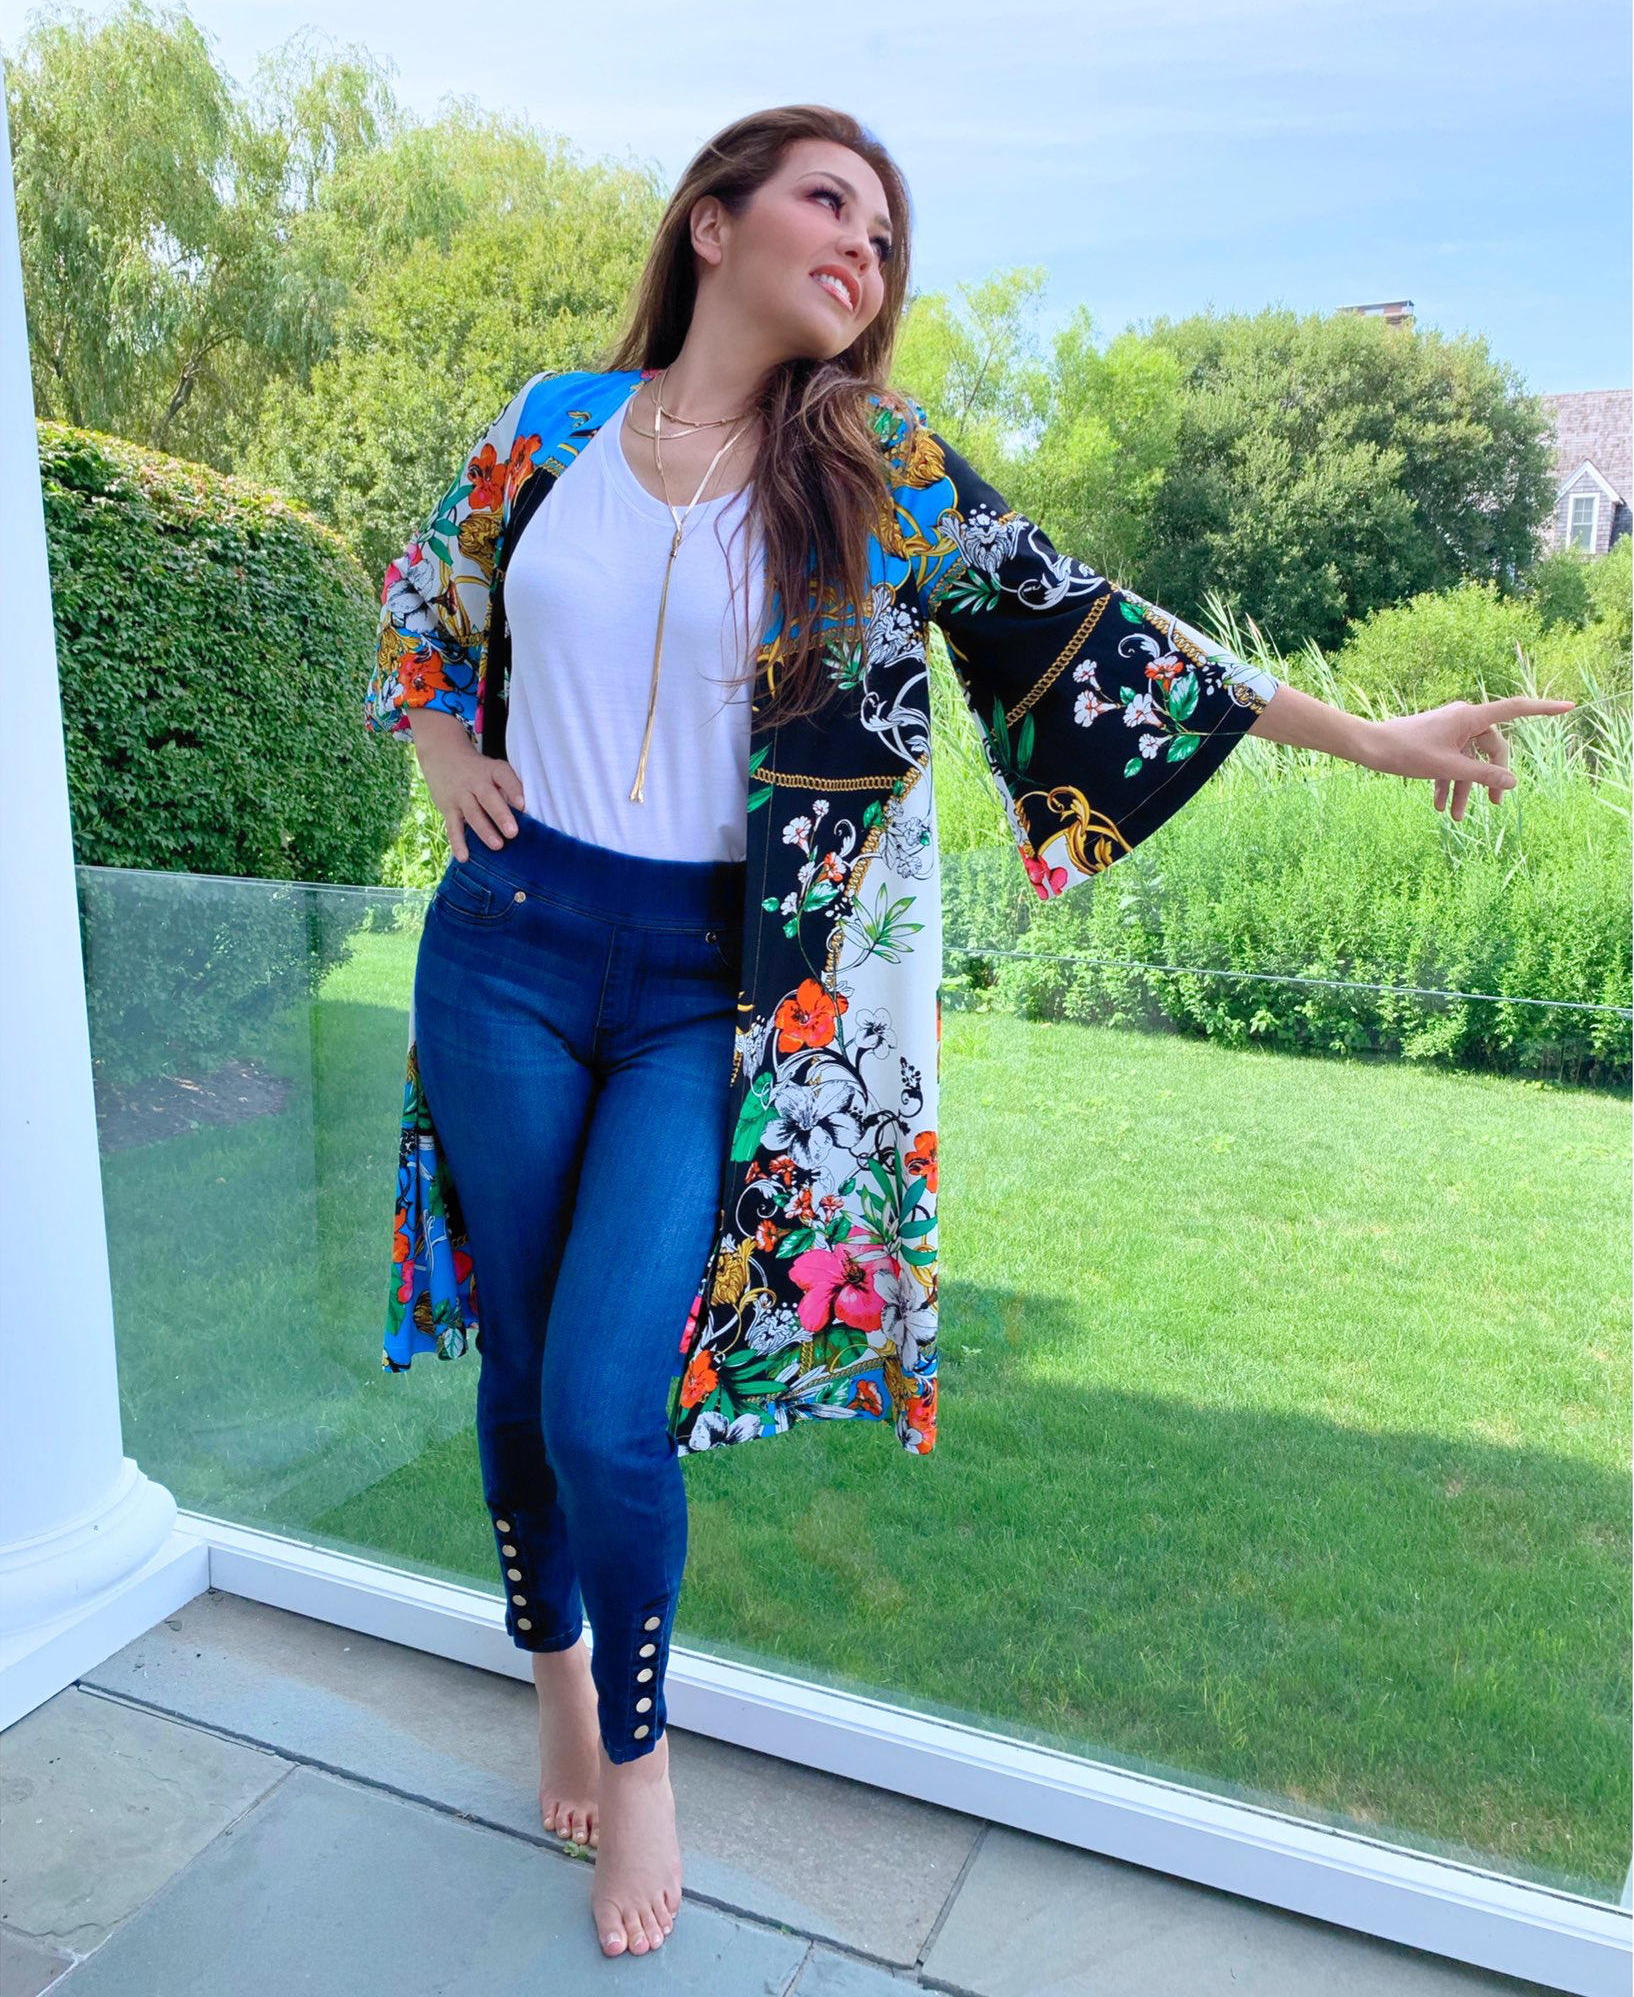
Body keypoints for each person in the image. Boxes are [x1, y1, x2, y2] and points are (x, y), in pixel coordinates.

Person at [364, 104, 1575, 1962]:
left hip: (713, 990)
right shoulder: (550, 428)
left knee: (609, 1404)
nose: (864, 246)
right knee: (522, 1368)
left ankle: (644, 1757)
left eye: (884, 232)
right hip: (506, 948)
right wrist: (446, 741)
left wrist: (1370, 733)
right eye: (828, 203)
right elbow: (430, 602)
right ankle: (553, 1677)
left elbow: (1097, 634)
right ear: (712, 224)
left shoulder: (870, 464)